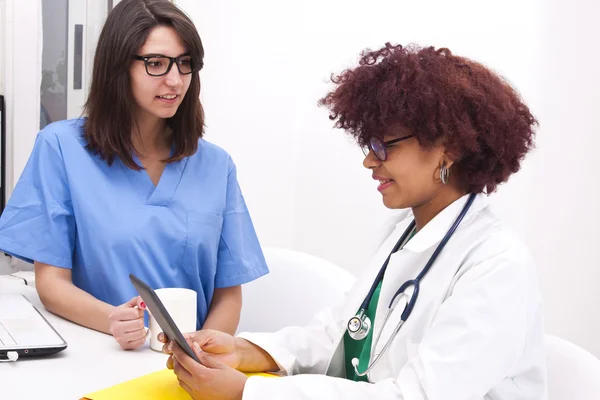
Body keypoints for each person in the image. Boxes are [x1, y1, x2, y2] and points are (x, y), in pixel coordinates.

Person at [161, 43, 546, 399]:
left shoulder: (497, 266)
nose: (368, 161)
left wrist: (250, 393)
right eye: (369, 144)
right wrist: (249, 351)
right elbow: (342, 332)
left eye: (385, 146)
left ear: (449, 149)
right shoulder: (405, 233)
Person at [0, 0, 268, 350]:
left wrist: (203, 353)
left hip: (184, 364)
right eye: (155, 63)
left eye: (185, 63)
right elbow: (51, 283)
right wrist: (111, 321)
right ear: (118, 67)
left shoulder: (216, 166)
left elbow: (229, 293)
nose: (175, 80)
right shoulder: (61, 148)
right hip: (96, 349)